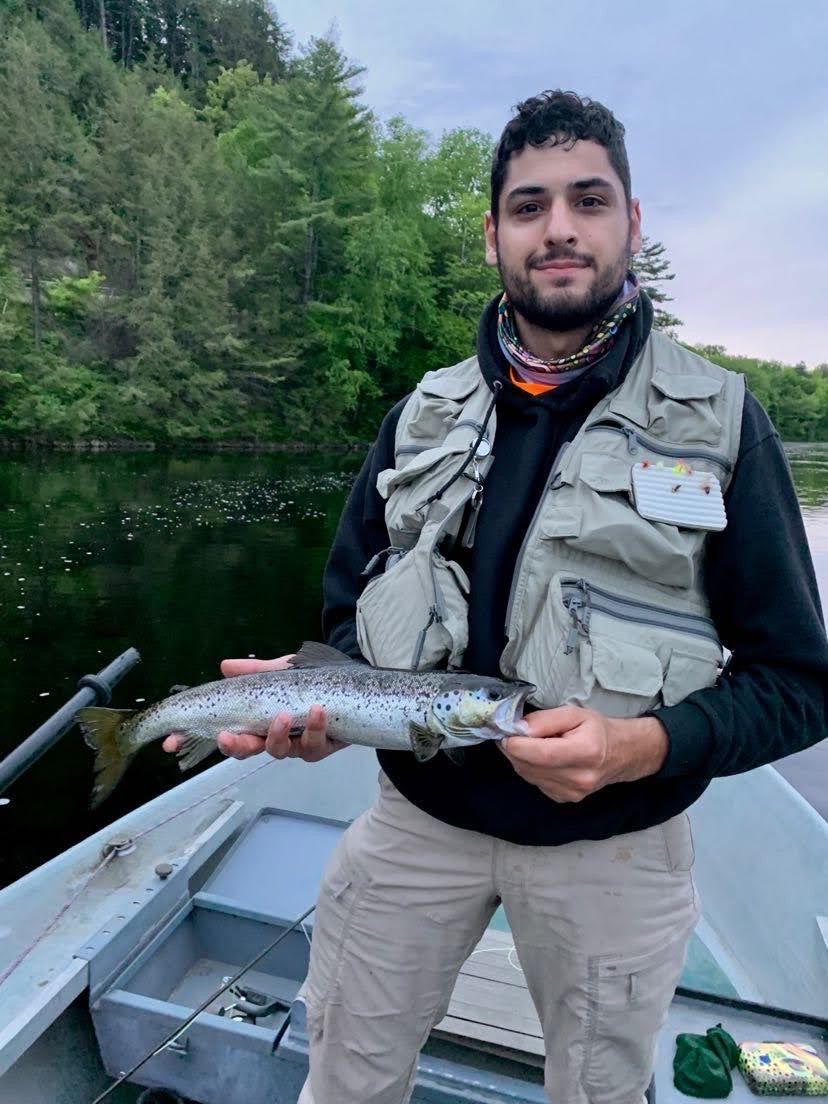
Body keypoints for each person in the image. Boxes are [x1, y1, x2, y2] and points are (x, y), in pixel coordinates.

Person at [164, 90, 828, 1104]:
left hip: (616, 847)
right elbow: (350, 614)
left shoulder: (724, 426)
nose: (559, 228)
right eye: (529, 206)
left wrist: (637, 748)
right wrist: (329, 713)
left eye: (589, 200)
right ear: (493, 236)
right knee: (342, 1077)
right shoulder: (419, 415)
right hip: (415, 825)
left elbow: (798, 682)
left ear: (631, 226)